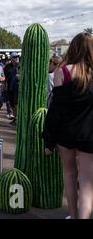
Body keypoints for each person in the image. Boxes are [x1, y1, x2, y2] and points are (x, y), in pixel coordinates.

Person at [43, 32, 93, 219]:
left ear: (73, 48)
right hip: (89, 134)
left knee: (70, 174)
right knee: (87, 183)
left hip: (66, 133)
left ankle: (72, 215)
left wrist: (48, 140)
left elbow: (55, 111)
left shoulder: (62, 72)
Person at [4, 52, 20, 120]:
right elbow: (5, 77)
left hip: (18, 87)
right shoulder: (7, 67)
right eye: (14, 57)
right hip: (10, 87)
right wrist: (5, 85)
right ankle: (15, 117)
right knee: (12, 103)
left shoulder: (20, 65)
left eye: (17, 57)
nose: (16, 58)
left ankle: (18, 118)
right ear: (11, 58)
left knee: (17, 103)